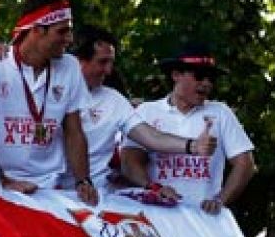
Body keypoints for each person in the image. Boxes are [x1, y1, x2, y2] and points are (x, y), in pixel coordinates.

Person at [64, 27, 217, 196]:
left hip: (97, 196)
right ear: (78, 61)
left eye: (111, 63)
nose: (109, 70)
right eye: (102, 62)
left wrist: (194, 146)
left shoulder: (114, 100)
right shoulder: (50, 93)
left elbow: (151, 137)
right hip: (50, 194)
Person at [0, 0, 95, 202]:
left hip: (52, 186)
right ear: (36, 30)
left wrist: (83, 180)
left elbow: (74, 131)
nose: (69, 39)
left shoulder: (70, 66)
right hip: (2, 186)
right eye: (62, 32)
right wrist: (3, 181)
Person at [121, 43, 257, 213]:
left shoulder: (221, 113)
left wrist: (220, 200)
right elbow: (129, 161)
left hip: (205, 217)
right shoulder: (147, 111)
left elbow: (245, 164)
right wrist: (153, 188)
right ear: (176, 75)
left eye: (211, 78)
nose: (207, 83)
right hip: (155, 213)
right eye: (200, 76)